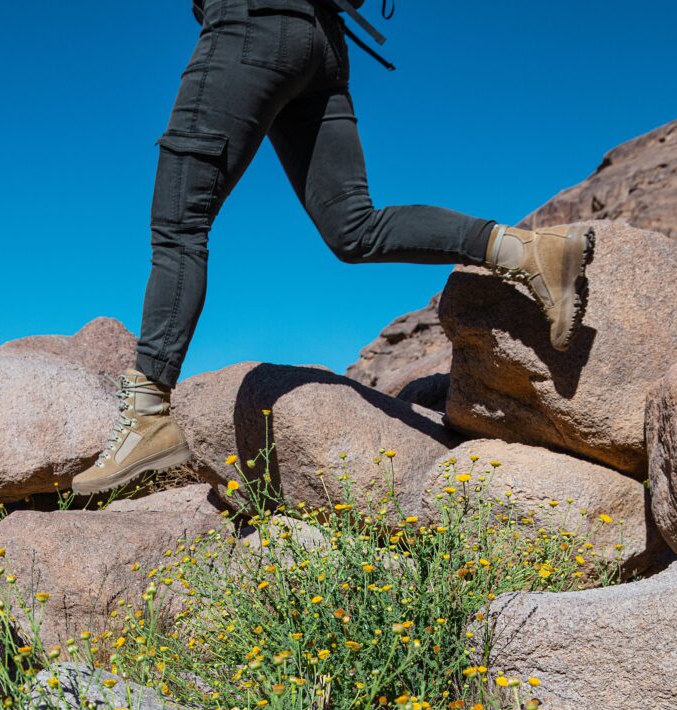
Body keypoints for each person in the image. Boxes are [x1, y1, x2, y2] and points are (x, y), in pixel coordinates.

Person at [72, 0, 594, 496]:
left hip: (246, 29)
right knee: (353, 227)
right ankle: (526, 252)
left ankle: (147, 411)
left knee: (179, 227)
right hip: (321, 47)